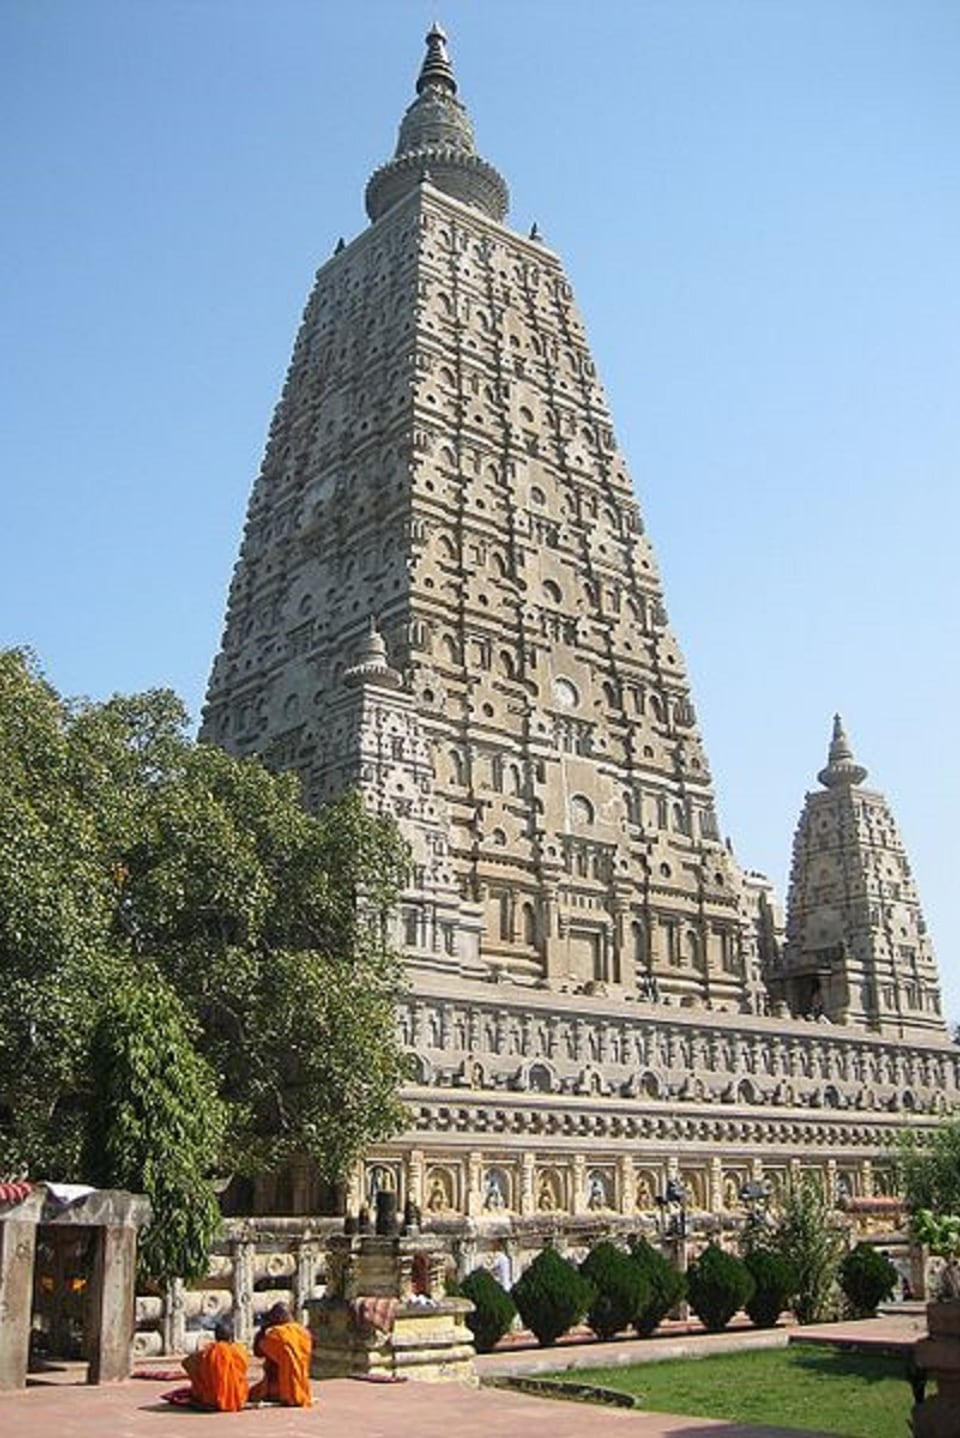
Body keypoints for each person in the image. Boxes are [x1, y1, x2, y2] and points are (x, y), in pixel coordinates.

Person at [249, 1302, 313, 1407]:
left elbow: (258, 1352)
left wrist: (263, 1330)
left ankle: (283, 1393)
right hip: (302, 1385)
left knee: (251, 1394)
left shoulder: (276, 1334)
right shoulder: (303, 1332)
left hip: (279, 1386)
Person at [180, 1319, 249, 1411]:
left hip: (212, 1399)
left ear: (215, 1337)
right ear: (232, 1337)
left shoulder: (209, 1351)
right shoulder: (239, 1351)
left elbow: (185, 1363)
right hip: (238, 1398)